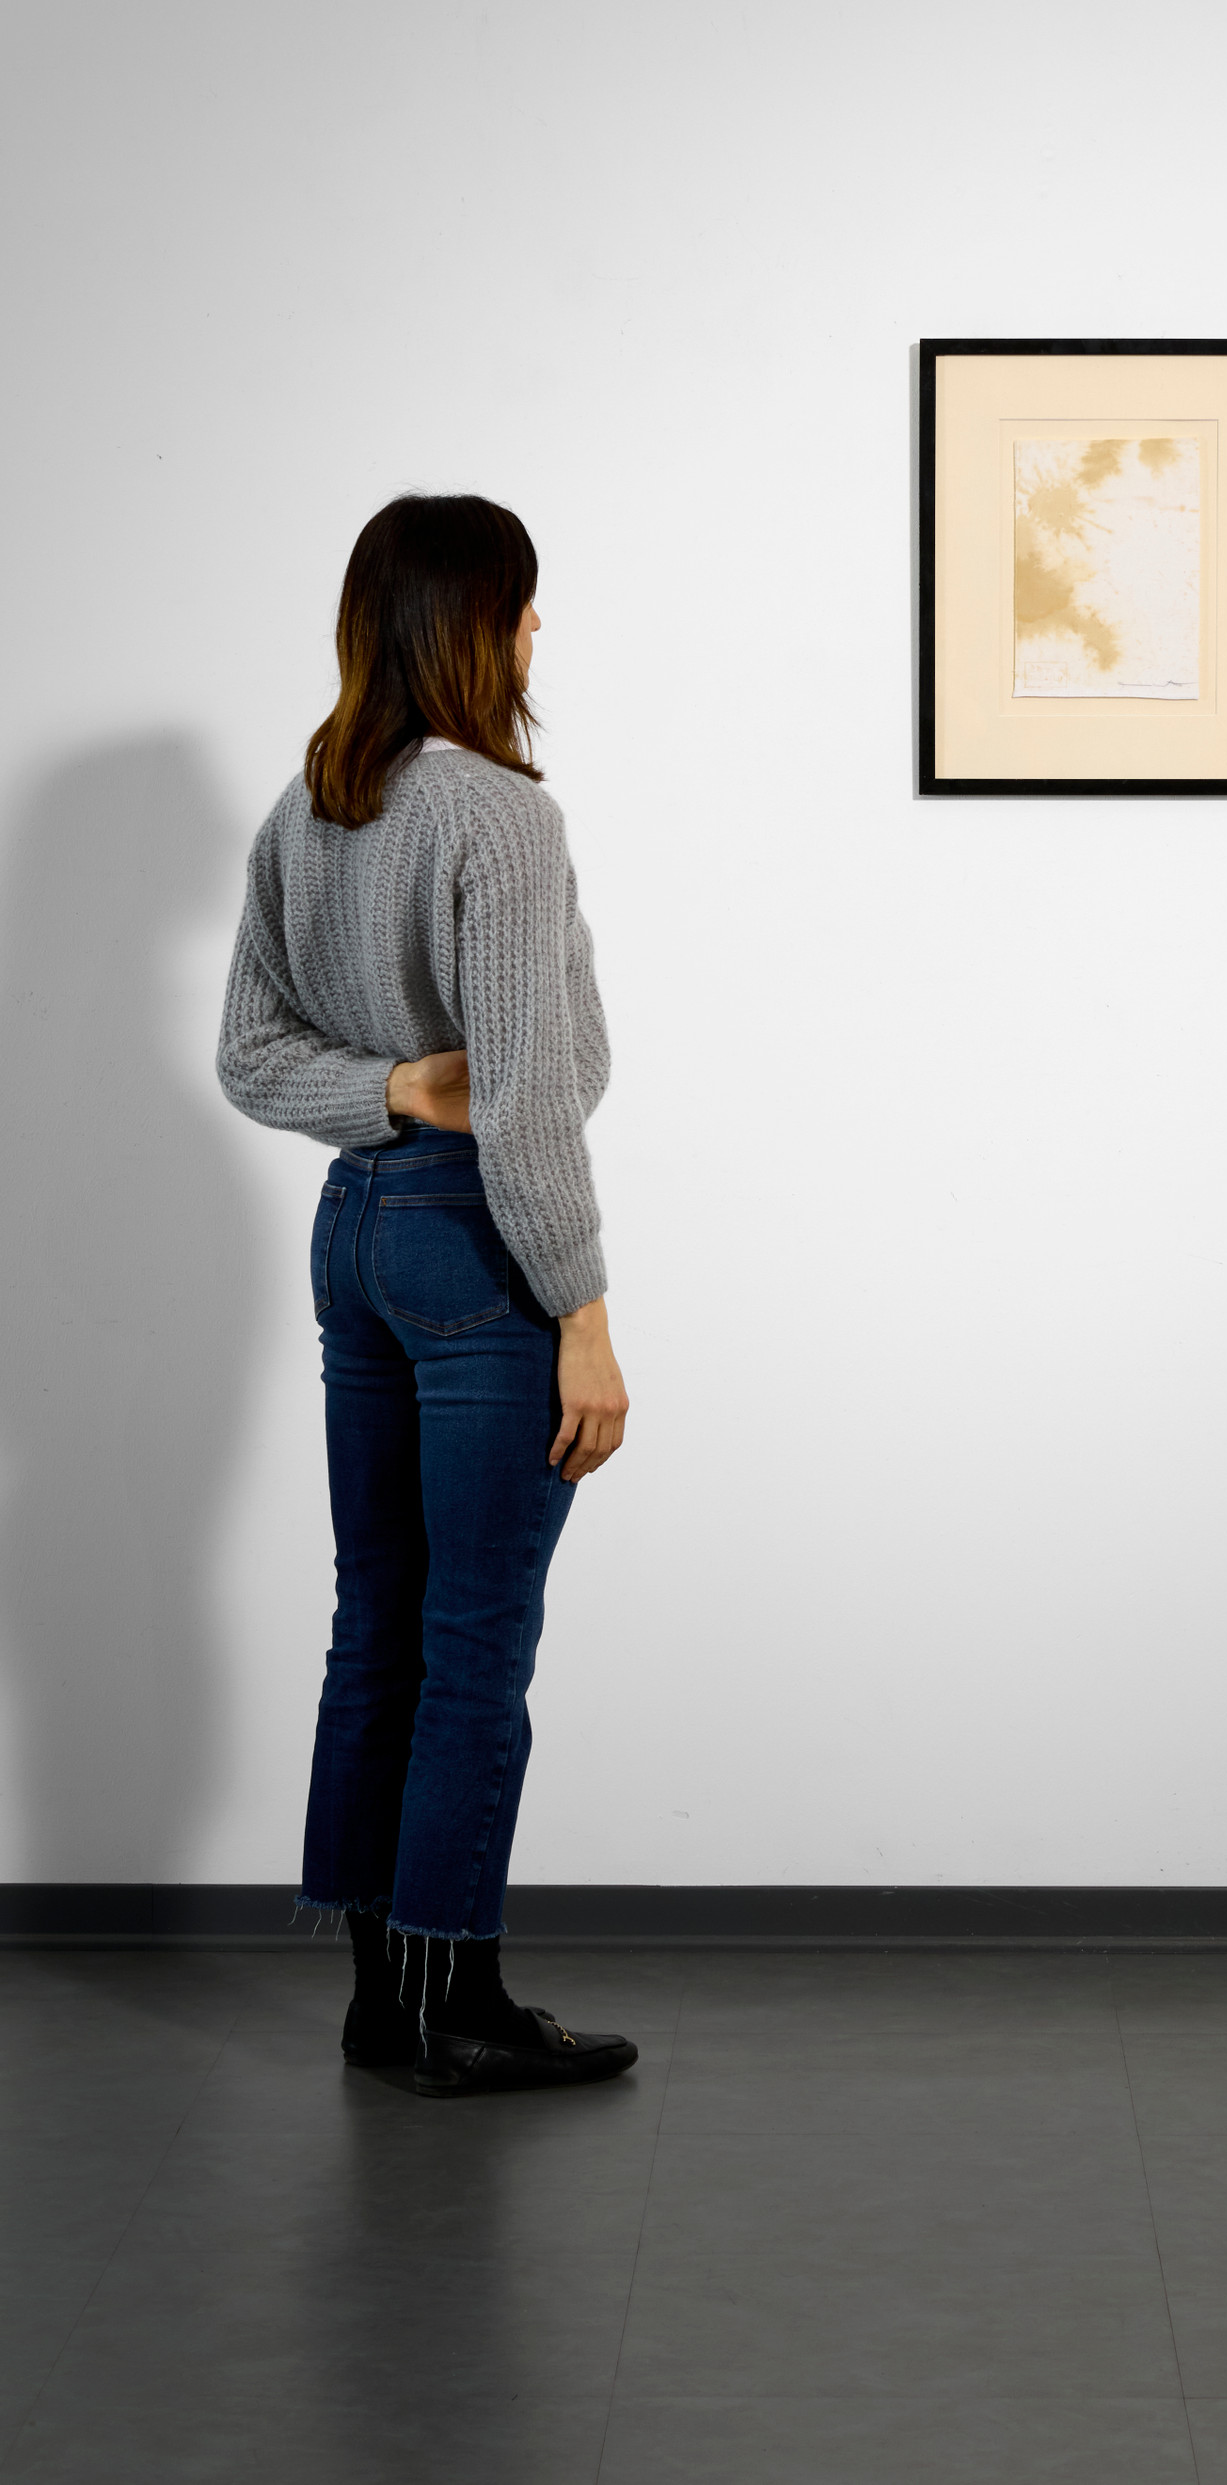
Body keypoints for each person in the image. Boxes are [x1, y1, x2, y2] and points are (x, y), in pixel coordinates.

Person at [217, 494, 637, 2097]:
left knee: (378, 1620)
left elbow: (253, 1058)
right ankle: (457, 1998)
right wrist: (583, 1315)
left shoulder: (308, 805)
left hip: (356, 1231)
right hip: (475, 1249)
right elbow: (524, 1107)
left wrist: (379, 1090)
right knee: (473, 1640)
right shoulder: (498, 815)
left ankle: (381, 2003)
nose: (538, 633)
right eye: (525, 607)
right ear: (481, 626)